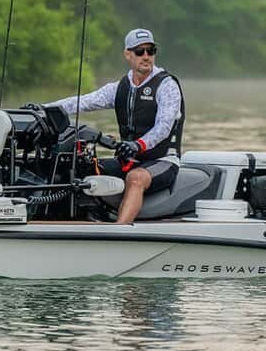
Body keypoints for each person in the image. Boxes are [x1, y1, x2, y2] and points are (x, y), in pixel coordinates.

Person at [44, 27, 184, 224]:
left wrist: (137, 145)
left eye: (151, 51)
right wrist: (44, 109)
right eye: (139, 51)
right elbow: (83, 102)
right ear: (127, 54)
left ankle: (120, 230)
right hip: (130, 159)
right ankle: (78, 220)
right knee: (81, 168)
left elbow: (164, 127)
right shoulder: (119, 88)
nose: (146, 56)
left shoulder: (167, 86)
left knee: (135, 178)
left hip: (162, 161)